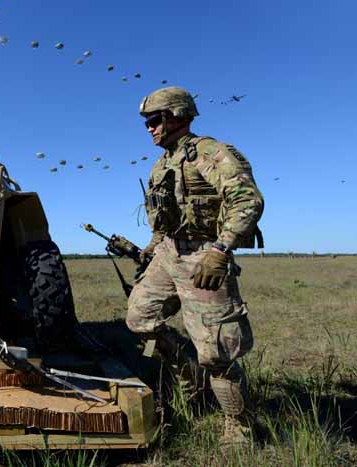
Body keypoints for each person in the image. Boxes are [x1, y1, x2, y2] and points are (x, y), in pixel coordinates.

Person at [121, 86, 264, 445]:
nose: (149, 128)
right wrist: (153, 248)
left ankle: (239, 425)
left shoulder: (210, 153)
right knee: (140, 319)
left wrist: (221, 250)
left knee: (217, 350)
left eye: (154, 120)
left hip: (205, 254)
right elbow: (163, 221)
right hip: (170, 253)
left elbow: (247, 200)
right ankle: (188, 375)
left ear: (177, 116)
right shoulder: (162, 163)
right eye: (147, 123)